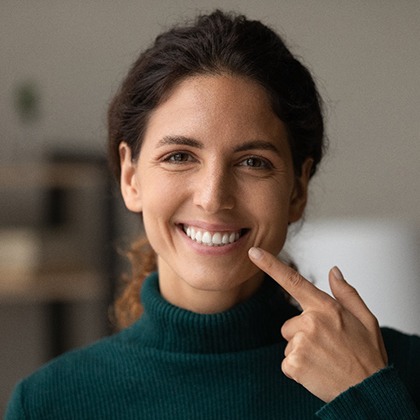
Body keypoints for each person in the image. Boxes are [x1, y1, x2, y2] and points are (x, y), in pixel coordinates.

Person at [6, 10, 420, 419]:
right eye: (180, 156)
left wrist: (366, 400)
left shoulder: (401, 375)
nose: (213, 197)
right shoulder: (49, 403)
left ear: (297, 188)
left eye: (253, 162)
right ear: (131, 177)